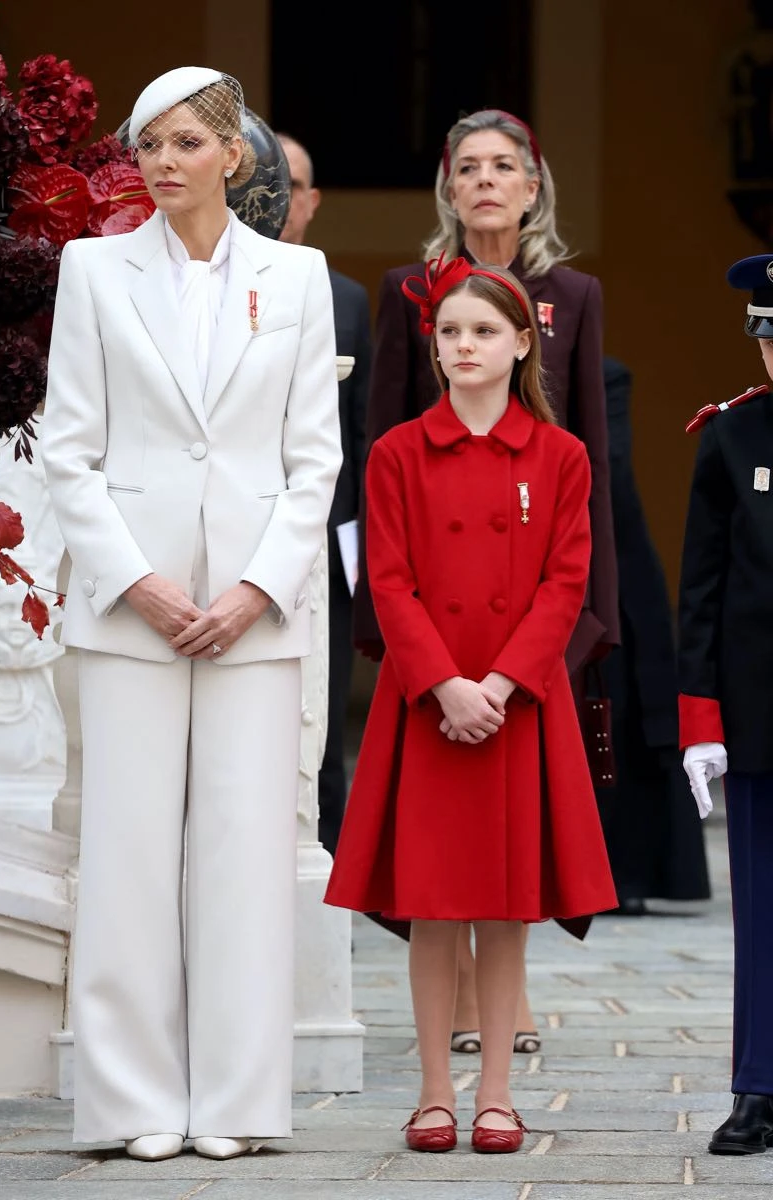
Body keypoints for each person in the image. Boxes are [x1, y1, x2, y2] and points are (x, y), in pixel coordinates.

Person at [40, 67, 341, 1161]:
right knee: (124, 854)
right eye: (145, 146)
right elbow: (71, 451)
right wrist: (141, 582)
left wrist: (258, 586)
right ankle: (128, 1106)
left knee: (243, 856)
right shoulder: (92, 270)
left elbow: (314, 462)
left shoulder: (298, 279)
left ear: (234, 155)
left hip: (254, 616)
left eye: (182, 143)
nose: (160, 163)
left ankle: (237, 1106)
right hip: (132, 611)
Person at [324, 256, 617, 1153]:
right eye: (449, 331)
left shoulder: (560, 456)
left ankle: (497, 1093)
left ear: (523, 341)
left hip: (518, 705)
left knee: (503, 905)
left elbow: (567, 583)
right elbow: (392, 579)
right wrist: (445, 682)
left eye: (484, 330)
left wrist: (497, 683)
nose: (463, 345)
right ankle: (433, 1092)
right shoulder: (396, 452)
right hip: (428, 706)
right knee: (434, 903)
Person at [353, 108, 620, 1055]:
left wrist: (594, 616)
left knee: (515, 809)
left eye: (505, 166)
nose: (487, 182)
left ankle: (503, 999)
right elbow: (380, 434)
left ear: (533, 183)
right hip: (424, 595)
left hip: (532, 593)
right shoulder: (409, 289)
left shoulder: (573, 294)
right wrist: (376, 613)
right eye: (469, 167)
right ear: (447, 184)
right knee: (435, 811)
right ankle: (455, 994)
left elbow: (588, 443)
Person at [678, 253, 773, 1156]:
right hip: (759, 719)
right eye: (771, 334)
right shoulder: (732, 436)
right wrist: (700, 723)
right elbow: (700, 593)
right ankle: (759, 1086)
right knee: (763, 908)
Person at [277, 132, 371, 856]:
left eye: (291, 182)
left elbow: (362, 428)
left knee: (320, 720)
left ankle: (330, 885)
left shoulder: (347, 300)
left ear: (310, 202)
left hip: (323, 542)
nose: (273, 194)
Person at [595, 357, 710, 913]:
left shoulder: (603, 373)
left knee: (618, 704)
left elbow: (609, 469)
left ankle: (622, 870)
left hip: (604, 553)